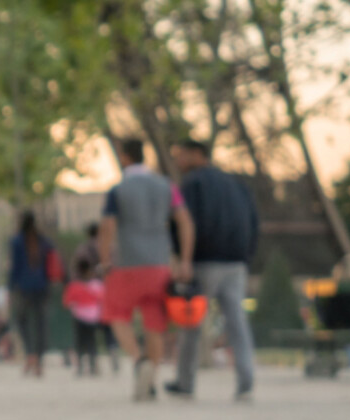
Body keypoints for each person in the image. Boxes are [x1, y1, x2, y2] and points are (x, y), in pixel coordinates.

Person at [99, 138, 196, 402]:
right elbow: (185, 221)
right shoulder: (167, 186)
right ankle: (150, 379)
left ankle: (139, 360)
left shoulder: (118, 190)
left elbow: (108, 227)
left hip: (127, 264)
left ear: (124, 157)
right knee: (155, 322)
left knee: (117, 314)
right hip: (159, 264)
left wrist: (105, 259)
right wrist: (185, 259)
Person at [163, 139, 260, 402]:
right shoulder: (236, 184)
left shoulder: (193, 185)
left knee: (191, 321)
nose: (178, 161)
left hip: (204, 261)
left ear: (197, 154)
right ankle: (246, 380)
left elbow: (183, 223)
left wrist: (184, 258)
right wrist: (246, 256)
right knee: (237, 322)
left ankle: (185, 382)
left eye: (181, 155)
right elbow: (253, 221)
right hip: (236, 262)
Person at [7, 211, 56, 377]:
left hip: (23, 287)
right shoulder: (44, 241)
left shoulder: (16, 241)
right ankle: (39, 359)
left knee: (22, 321)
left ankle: (30, 353)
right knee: (41, 323)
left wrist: (10, 288)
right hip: (43, 286)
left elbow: (14, 268)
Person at [63, 256, 106, 375]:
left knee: (80, 342)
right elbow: (102, 299)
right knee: (92, 341)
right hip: (93, 317)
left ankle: (80, 366)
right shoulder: (96, 285)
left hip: (78, 317)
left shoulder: (74, 286)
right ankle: (93, 365)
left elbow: (67, 302)